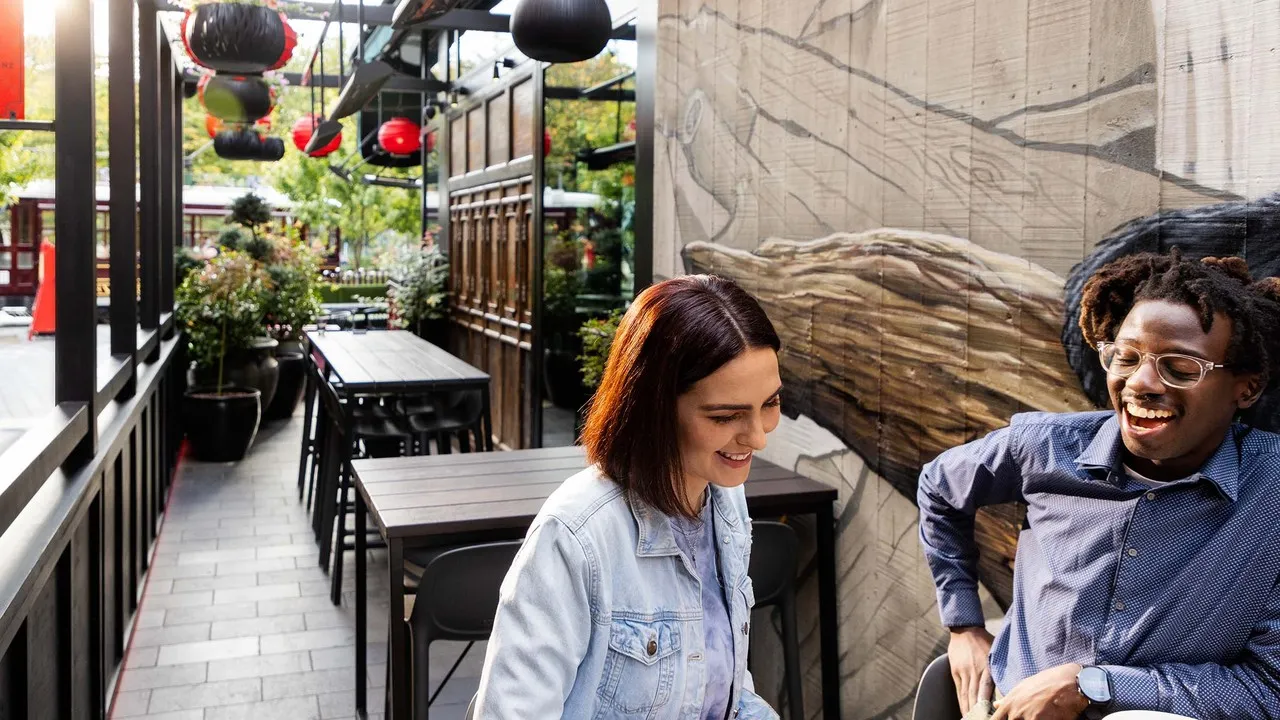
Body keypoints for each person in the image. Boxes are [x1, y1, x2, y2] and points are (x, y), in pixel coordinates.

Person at [918, 251, 1280, 720]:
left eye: (1181, 368)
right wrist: (964, 624)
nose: (1140, 383)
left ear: (1245, 389)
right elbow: (940, 488)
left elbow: (1267, 689)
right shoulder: (1044, 447)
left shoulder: (1270, 497)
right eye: (1125, 357)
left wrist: (1095, 686)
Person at [474, 275, 783, 719]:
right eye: (726, 416)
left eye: (770, 404)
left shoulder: (725, 500)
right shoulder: (577, 537)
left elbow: (721, 686)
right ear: (654, 408)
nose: (757, 437)